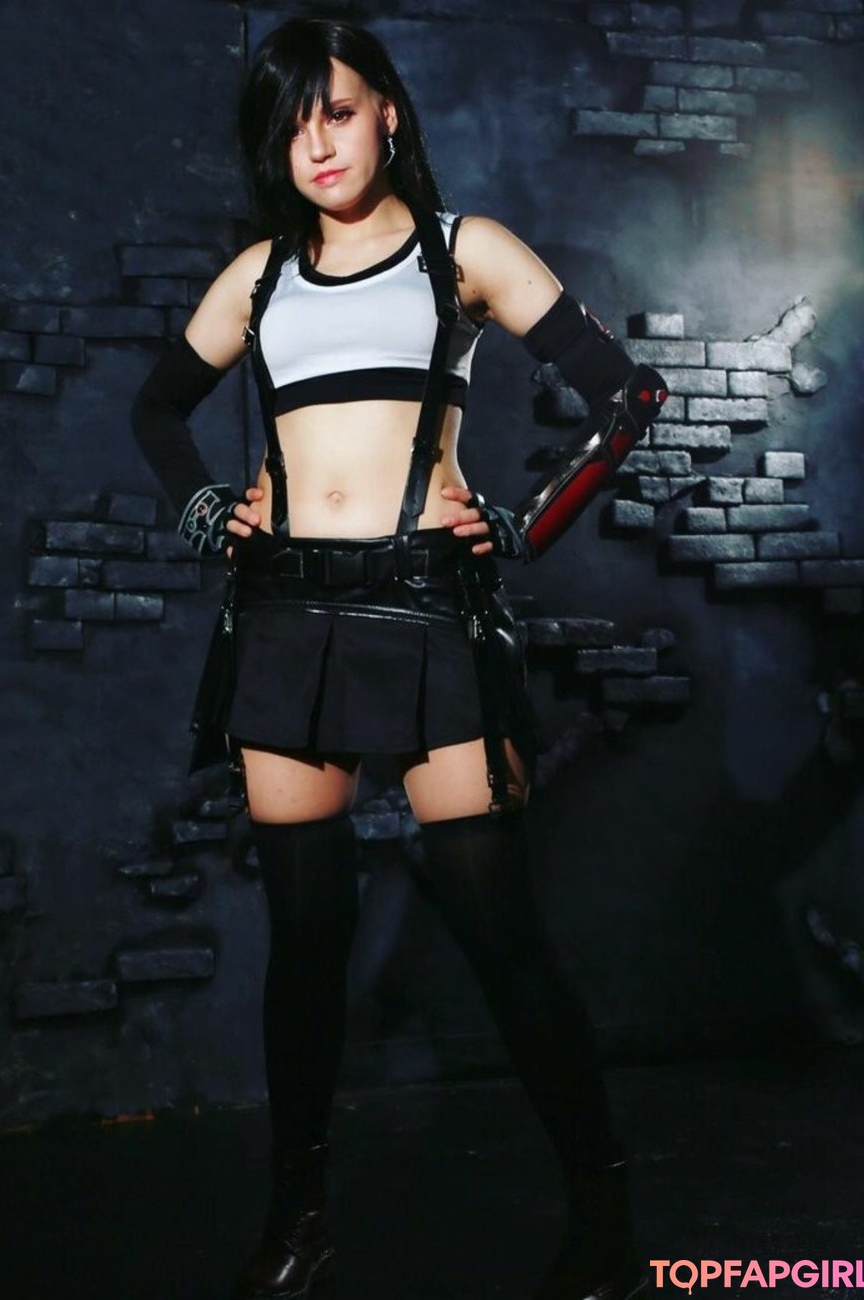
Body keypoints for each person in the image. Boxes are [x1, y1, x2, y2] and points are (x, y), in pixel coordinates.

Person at [131, 18, 666, 1300]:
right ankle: (299, 1219)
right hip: (286, 617)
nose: (316, 143)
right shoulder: (259, 277)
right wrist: (206, 511)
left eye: (337, 110)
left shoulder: (461, 252)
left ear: (388, 114)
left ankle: (603, 1215)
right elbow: (157, 408)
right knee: (306, 944)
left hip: (430, 608)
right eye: (290, 124)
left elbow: (626, 394)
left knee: (499, 932)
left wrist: (527, 521)